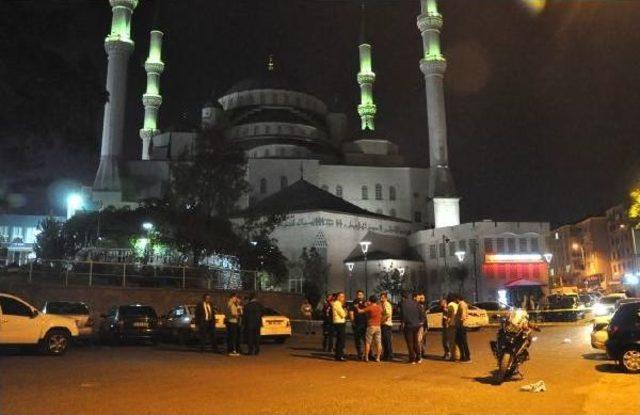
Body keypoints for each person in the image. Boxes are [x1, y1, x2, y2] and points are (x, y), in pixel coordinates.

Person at [356, 295, 383, 362]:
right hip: (378, 326)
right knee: (378, 342)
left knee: (368, 342)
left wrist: (356, 307)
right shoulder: (379, 307)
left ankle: (367, 357)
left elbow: (360, 311)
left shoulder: (370, 307)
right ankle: (378, 358)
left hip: (371, 326)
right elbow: (381, 309)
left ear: (370, 300)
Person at [399, 291, 424, 364]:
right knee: (416, 341)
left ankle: (412, 358)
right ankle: (419, 358)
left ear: (403, 297)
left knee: (410, 342)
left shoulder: (403, 304)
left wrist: (402, 323)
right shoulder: (416, 303)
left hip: (408, 325)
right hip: (417, 325)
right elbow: (421, 313)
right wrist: (420, 321)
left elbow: (403, 315)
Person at [349, 290, 368, 360]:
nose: (360, 296)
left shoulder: (366, 303)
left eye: (361, 294)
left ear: (363, 295)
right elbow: (351, 313)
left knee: (367, 340)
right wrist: (352, 322)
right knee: (358, 340)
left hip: (365, 324)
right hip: (357, 324)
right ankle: (360, 354)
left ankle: (368, 354)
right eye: (358, 294)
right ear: (356, 295)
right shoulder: (353, 304)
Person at [455, 294, 471, 363]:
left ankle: (467, 357)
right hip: (461, 325)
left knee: (463, 341)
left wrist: (460, 322)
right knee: (459, 341)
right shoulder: (463, 304)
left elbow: (463, 315)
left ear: (458, 299)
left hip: (462, 326)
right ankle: (463, 356)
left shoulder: (462, 304)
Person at [332, 292, 348, 361]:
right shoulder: (337, 304)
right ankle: (339, 356)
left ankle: (338, 355)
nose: (343, 298)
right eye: (341, 296)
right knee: (341, 340)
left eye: (343, 297)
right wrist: (345, 311)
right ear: (338, 297)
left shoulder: (338, 304)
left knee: (340, 340)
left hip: (339, 322)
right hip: (339, 323)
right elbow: (343, 314)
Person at [379, 292, 394, 361]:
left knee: (387, 341)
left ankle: (389, 356)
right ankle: (386, 355)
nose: (381, 299)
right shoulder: (381, 304)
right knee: (384, 341)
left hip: (386, 325)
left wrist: (381, 322)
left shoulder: (387, 304)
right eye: (381, 297)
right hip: (383, 325)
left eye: (383, 297)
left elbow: (387, 315)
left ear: (386, 298)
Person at [446, 293, 459, 361]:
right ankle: (457, 355)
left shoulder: (450, 305)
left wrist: (447, 321)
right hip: (457, 324)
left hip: (452, 324)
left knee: (452, 342)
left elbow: (449, 315)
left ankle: (454, 357)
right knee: (456, 341)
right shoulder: (456, 304)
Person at [418, 293, 429, 359]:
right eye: (421, 298)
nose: (423, 299)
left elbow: (426, 316)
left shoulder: (425, 305)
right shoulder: (417, 305)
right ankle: (419, 353)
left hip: (425, 325)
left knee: (424, 340)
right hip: (419, 325)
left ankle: (423, 352)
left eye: (423, 298)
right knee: (419, 340)